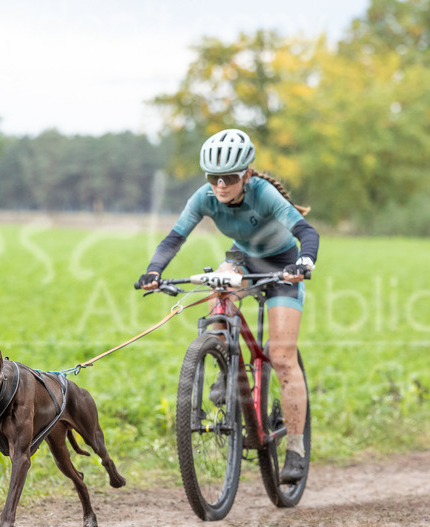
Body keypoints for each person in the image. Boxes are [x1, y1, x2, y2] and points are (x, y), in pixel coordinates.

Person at [137, 128, 319, 483]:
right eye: (214, 178)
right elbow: (175, 237)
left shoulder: (263, 194)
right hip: (242, 259)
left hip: (283, 265)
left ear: (246, 175)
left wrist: (305, 263)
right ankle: (222, 363)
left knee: (281, 356)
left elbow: (306, 232)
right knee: (219, 285)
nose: (221, 185)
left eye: (230, 178)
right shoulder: (204, 197)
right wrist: (154, 270)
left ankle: (295, 449)